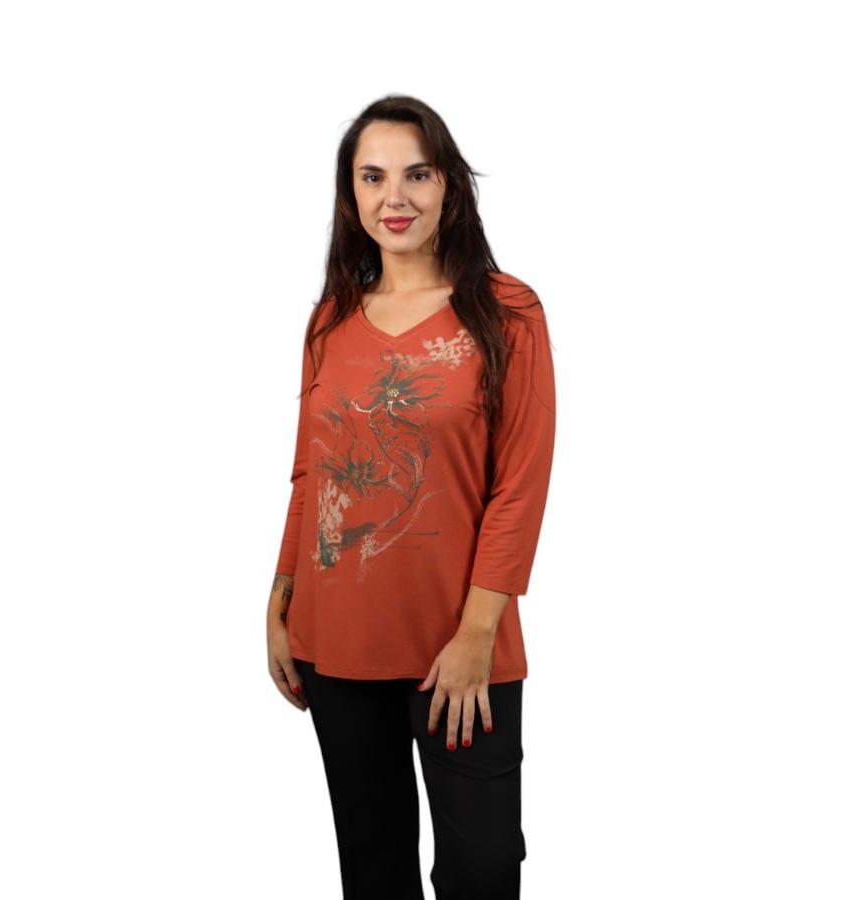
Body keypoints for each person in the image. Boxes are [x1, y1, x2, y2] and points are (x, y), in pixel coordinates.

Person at [266, 94, 556, 900]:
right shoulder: (331, 321)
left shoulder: (508, 312)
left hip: (461, 646)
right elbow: (311, 473)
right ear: (351, 195)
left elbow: (520, 484)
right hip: (337, 641)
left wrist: (476, 634)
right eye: (373, 177)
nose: (394, 197)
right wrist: (281, 596)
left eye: (416, 175)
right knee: (374, 870)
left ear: (449, 185)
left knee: (483, 871)